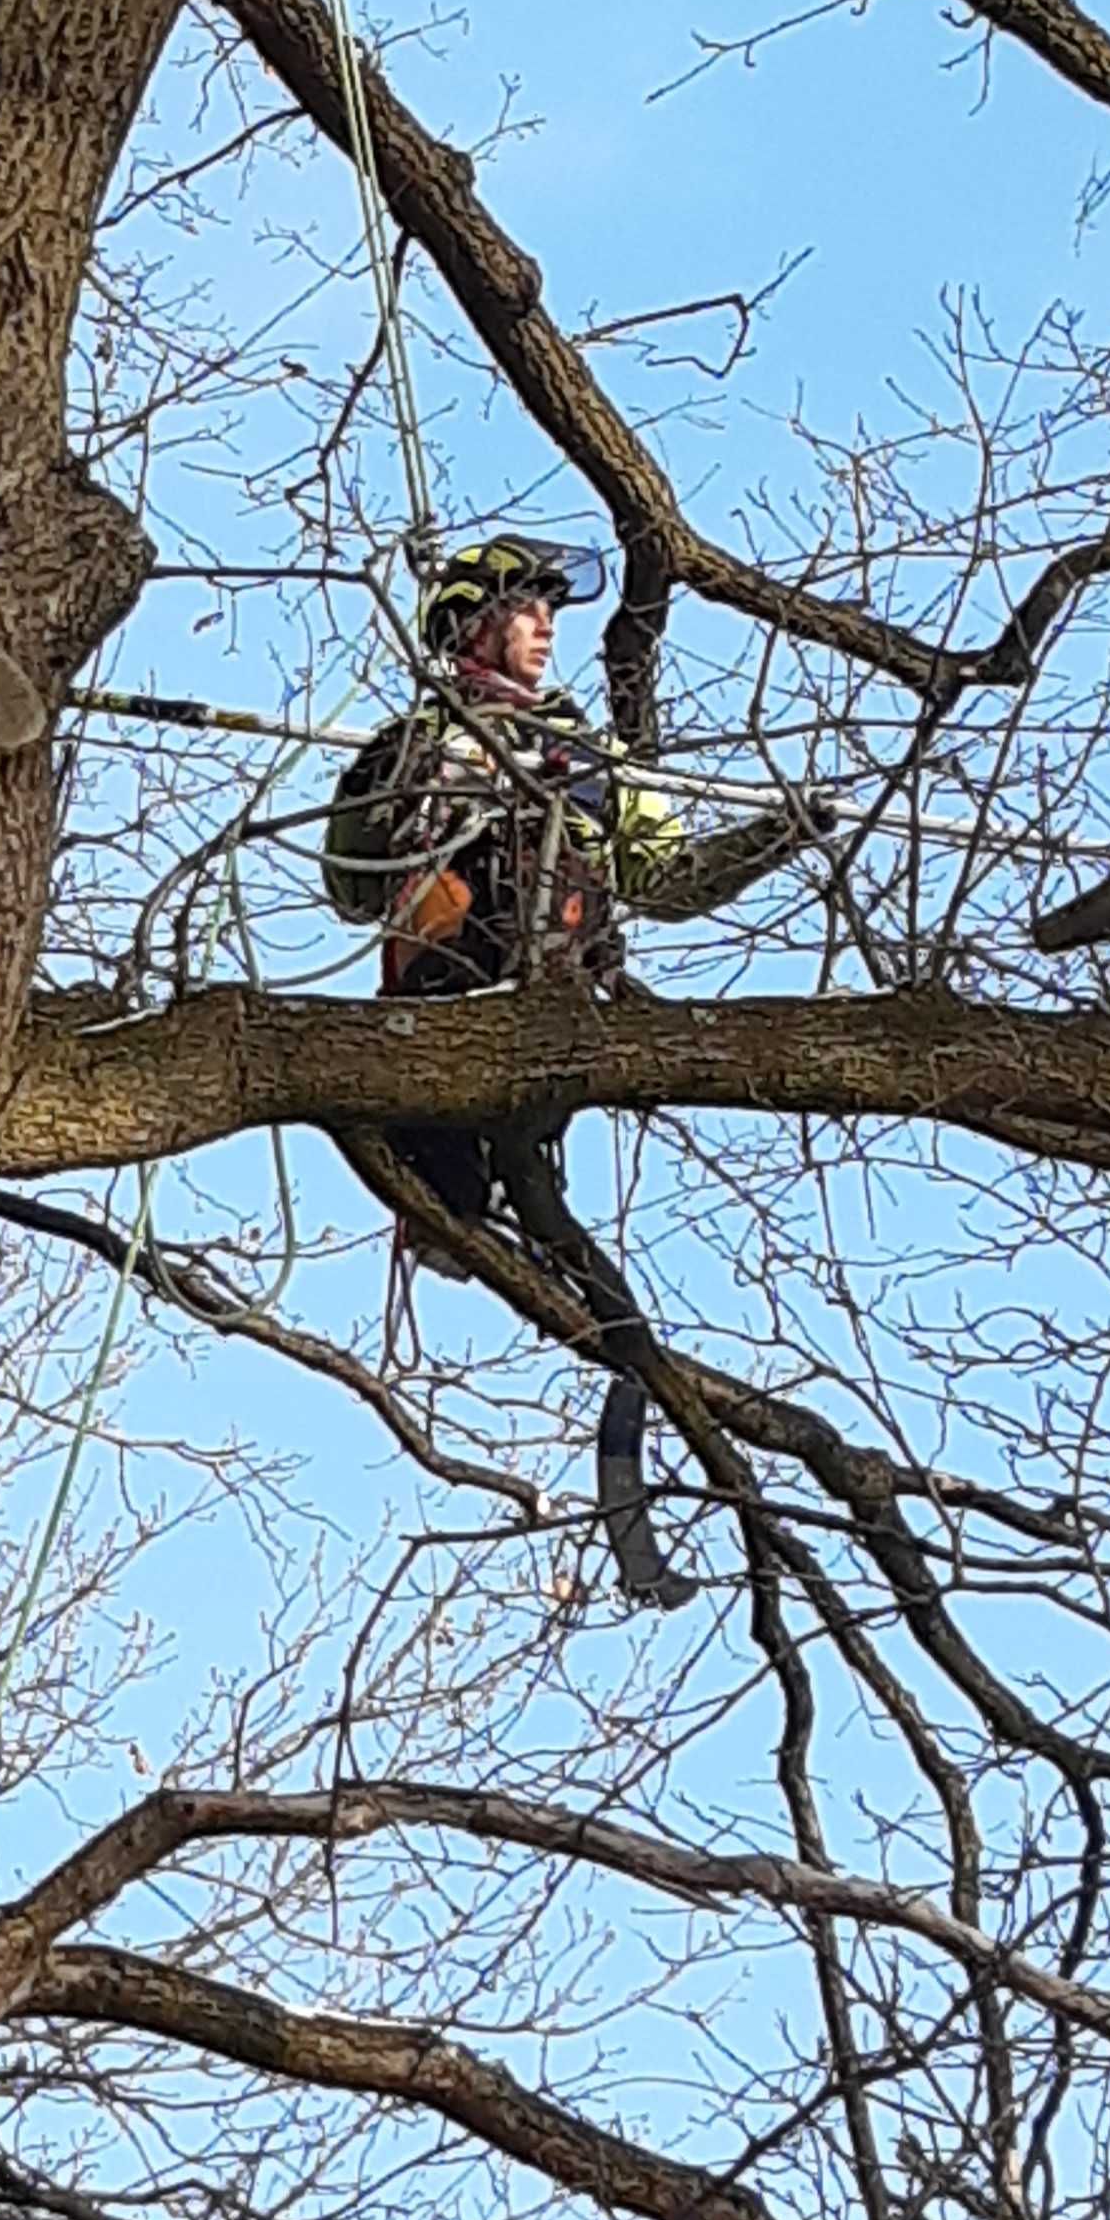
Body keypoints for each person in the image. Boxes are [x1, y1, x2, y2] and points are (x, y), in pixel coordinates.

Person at [323, 534, 698, 1610]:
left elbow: (666, 873)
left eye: (551, 612)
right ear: (470, 625)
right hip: (447, 1001)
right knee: (459, 1190)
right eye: (526, 609)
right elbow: (350, 879)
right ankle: (454, 1206)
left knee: (539, 1208)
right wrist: (433, 778)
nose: (546, 629)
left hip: (554, 1020)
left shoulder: (586, 758)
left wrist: (789, 831)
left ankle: (577, 1302)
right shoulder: (426, 734)